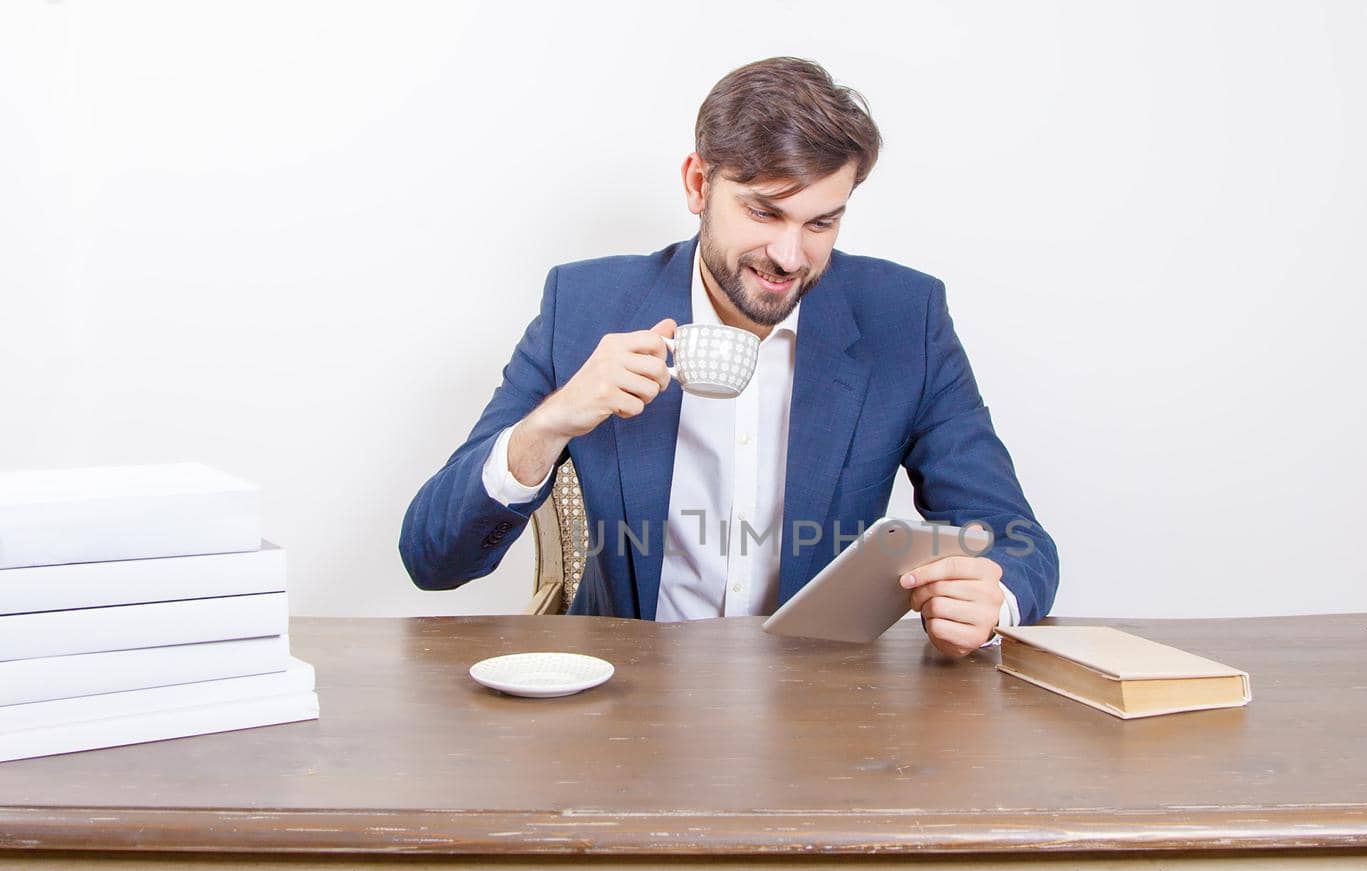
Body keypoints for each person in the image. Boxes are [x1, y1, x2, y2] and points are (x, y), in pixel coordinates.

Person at [400, 57, 1057, 658]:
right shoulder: (585, 305)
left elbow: (1017, 538)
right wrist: (549, 425)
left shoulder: (904, 318)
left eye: (821, 222)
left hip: (821, 710)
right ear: (698, 184)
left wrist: (991, 600)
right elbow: (432, 557)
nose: (791, 256)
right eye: (765, 213)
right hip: (627, 703)